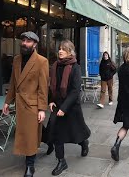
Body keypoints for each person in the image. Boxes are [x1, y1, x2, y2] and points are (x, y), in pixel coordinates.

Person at [2, 31, 49, 177]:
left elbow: (43, 87)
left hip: (32, 105)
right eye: (23, 40)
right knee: (30, 133)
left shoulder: (42, 61)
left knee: (29, 135)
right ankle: (50, 141)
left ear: (35, 44)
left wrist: (42, 109)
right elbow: (13, 82)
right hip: (19, 104)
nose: (24, 43)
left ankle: (30, 166)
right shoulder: (16, 60)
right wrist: (7, 102)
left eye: (28, 41)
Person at [48, 40, 91, 176]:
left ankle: (84, 143)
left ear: (70, 52)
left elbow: (75, 90)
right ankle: (61, 161)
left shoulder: (75, 67)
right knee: (57, 134)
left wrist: (64, 108)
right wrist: (51, 101)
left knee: (76, 131)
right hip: (57, 105)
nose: (60, 51)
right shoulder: (55, 65)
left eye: (64, 49)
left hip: (71, 107)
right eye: (59, 49)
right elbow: (51, 86)